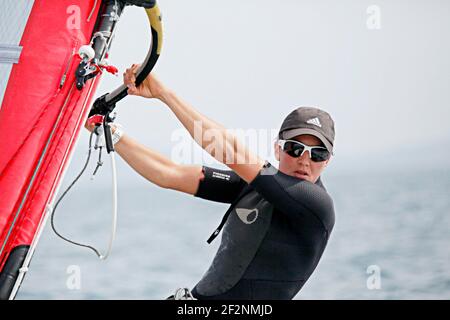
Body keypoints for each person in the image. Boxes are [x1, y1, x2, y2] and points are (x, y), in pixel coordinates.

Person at [85, 64, 336, 300]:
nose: (305, 160)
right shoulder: (255, 187)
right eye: (295, 148)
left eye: (318, 154)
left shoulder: (316, 205)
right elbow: (169, 173)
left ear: (328, 161)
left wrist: (164, 94)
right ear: (278, 149)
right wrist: (109, 133)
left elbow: (227, 149)